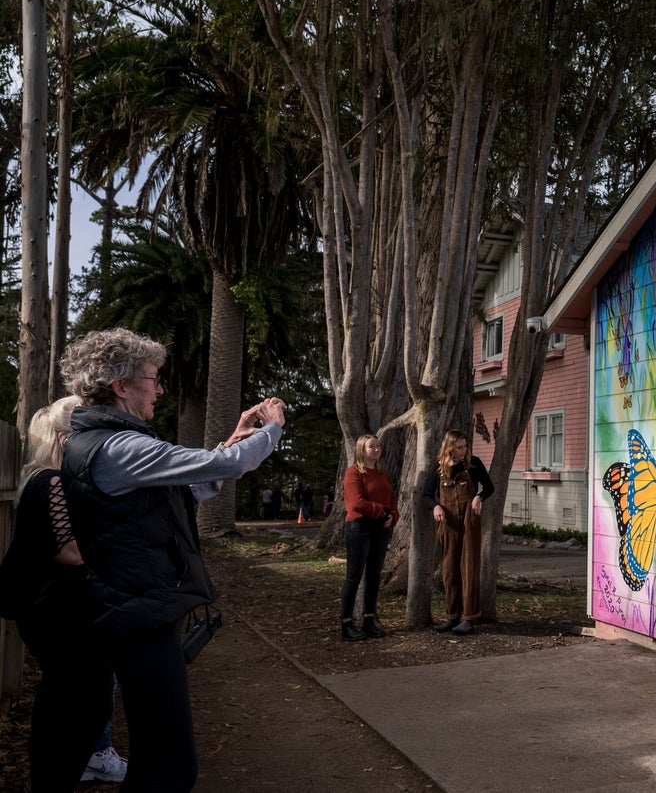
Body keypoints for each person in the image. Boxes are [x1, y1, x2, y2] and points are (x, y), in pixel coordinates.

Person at [59, 327, 286, 791]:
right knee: (170, 763)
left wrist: (232, 442)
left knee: (157, 754)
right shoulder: (118, 447)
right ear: (120, 386)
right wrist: (273, 430)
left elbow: (179, 494)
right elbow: (218, 468)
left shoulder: (105, 443)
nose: (160, 389)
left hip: (133, 608)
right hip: (138, 612)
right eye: (153, 378)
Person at [1, 396, 120, 790]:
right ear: (65, 438)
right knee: (82, 702)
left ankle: (50, 780)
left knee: (69, 700)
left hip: (56, 610)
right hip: (58, 612)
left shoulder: (43, 478)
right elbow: (69, 551)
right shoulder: (52, 479)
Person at [425, 430, 493, 635]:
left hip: (469, 522)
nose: (463, 450)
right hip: (448, 524)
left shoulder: (474, 464)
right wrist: (435, 507)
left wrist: (479, 497)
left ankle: (468, 617)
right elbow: (427, 496)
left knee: (469, 567)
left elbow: (490, 487)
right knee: (449, 570)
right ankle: (452, 616)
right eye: (459, 447)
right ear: (449, 447)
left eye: (465, 446)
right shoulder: (438, 468)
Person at [339, 434, 399, 641]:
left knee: (374, 575)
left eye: (378, 446)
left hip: (381, 528)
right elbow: (356, 502)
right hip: (359, 527)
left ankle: (369, 620)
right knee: (354, 576)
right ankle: (346, 624)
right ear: (361, 450)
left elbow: (391, 499)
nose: (376, 449)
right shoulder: (353, 472)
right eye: (371, 446)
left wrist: (392, 516)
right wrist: (381, 512)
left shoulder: (382, 473)